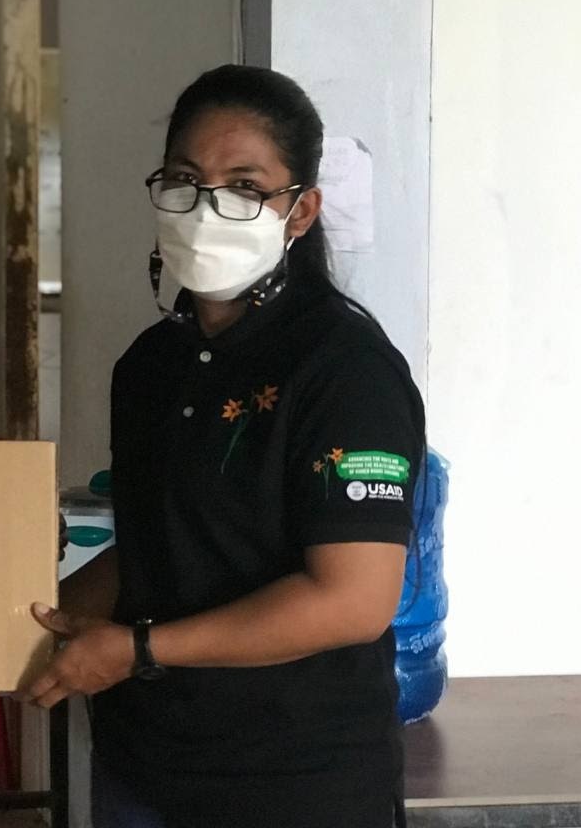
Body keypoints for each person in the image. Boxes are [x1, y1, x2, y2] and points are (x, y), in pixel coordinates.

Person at [24, 65, 424, 828]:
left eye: (245, 187)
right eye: (184, 180)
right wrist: (24, 623)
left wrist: (140, 649)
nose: (208, 208)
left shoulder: (345, 371)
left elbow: (352, 601)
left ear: (300, 211)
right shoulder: (150, 366)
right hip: (145, 767)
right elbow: (159, 545)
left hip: (294, 782)